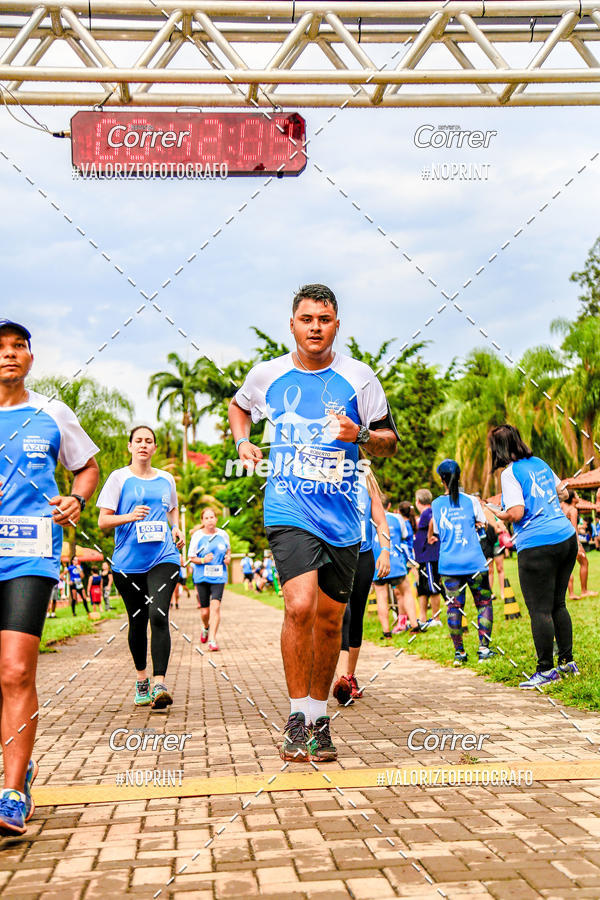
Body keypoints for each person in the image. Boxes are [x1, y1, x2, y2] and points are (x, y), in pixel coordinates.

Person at [228, 283, 397, 762]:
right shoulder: (269, 375)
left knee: (330, 620)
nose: (315, 327)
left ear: (336, 325)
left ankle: (320, 715)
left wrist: (360, 433)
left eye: (324, 319)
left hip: (342, 514)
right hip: (289, 507)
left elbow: (389, 440)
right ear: (293, 325)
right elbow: (238, 407)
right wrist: (243, 443)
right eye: (307, 319)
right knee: (299, 607)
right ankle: (297, 715)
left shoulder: (360, 378)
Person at [0, 320, 99, 834]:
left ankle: (12, 790)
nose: (9, 354)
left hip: (27, 555)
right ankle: (20, 760)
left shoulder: (51, 412)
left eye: (19, 347)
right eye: (1, 348)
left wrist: (76, 498)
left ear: (31, 359)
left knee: (16, 671)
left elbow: (87, 466)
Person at [97, 426, 184, 709]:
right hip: (127, 564)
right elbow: (103, 521)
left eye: (149, 441)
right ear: (130, 446)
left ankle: (160, 684)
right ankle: (142, 679)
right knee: (138, 620)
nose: (143, 445)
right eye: (139, 441)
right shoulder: (118, 478)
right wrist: (130, 516)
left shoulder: (166, 478)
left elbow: (172, 508)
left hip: (163, 556)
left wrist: (177, 528)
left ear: (155, 448)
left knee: (158, 613)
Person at [488, 425, 578, 688]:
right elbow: (563, 492)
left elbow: (516, 512)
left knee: (539, 610)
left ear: (499, 449)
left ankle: (546, 670)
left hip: (538, 545)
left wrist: (496, 511)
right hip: (566, 537)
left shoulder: (510, 473)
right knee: (558, 604)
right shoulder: (538, 462)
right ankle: (567, 662)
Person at [332, 464, 390, 705]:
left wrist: (385, 551)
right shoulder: (329, 477)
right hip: (337, 555)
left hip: (364, 556)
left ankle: (349, 677)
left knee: (355, 616)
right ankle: (340, 678)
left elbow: (381, 522)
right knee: (341, 614)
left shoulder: (367, 483)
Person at [430, 459, 495, 666]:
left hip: (449, 564)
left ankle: (459, 653)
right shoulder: (471, 501)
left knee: (453, 607)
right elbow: (482, 523)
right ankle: (484, 649)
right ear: (459, 477)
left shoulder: (436, 504)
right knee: (483, 603)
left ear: (442, 480)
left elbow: (440, 532)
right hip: (474, 562)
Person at [187, 508, 231, 651]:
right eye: (206, 518)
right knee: (205, 612)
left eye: (212, 517)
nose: (210, 520)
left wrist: (228, 558)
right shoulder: (198, 536)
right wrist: (203, 559)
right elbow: (191, 557)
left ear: (216, 519)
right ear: (202, 521)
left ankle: (212, 639)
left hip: (219, 576)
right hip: (202, 577)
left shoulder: (223, 534)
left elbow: (228, 550)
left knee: (216, 607)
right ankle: (206, 627)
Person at [372, 496, 413, 637]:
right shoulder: (397, 518)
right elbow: (405, 535)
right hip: (395, 561)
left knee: (381, 597)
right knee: (406, 592)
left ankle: (386, 631)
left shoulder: (369, 519)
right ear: (389, 505)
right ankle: (414, 625)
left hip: (377, 562)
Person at [413, 488, 442, 627]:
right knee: (422, 589)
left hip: (429, 557)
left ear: (418, 501)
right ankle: (423, 619)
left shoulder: (428, 512)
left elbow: (432, 521)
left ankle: (436, 619)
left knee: (433, 587)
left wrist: (430, 536)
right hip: (423, 558)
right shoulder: (428, 512)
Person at [560, 491, 597, 600]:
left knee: (566, 567)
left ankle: (571, 594)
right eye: (576, 495)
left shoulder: (561, 506)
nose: (578, 497)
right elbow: (574, 528)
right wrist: (578, 544)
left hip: (560, 540)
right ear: (572, 498)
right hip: (570, 540)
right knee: (584, 562)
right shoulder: (573, 510)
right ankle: (584, 591)